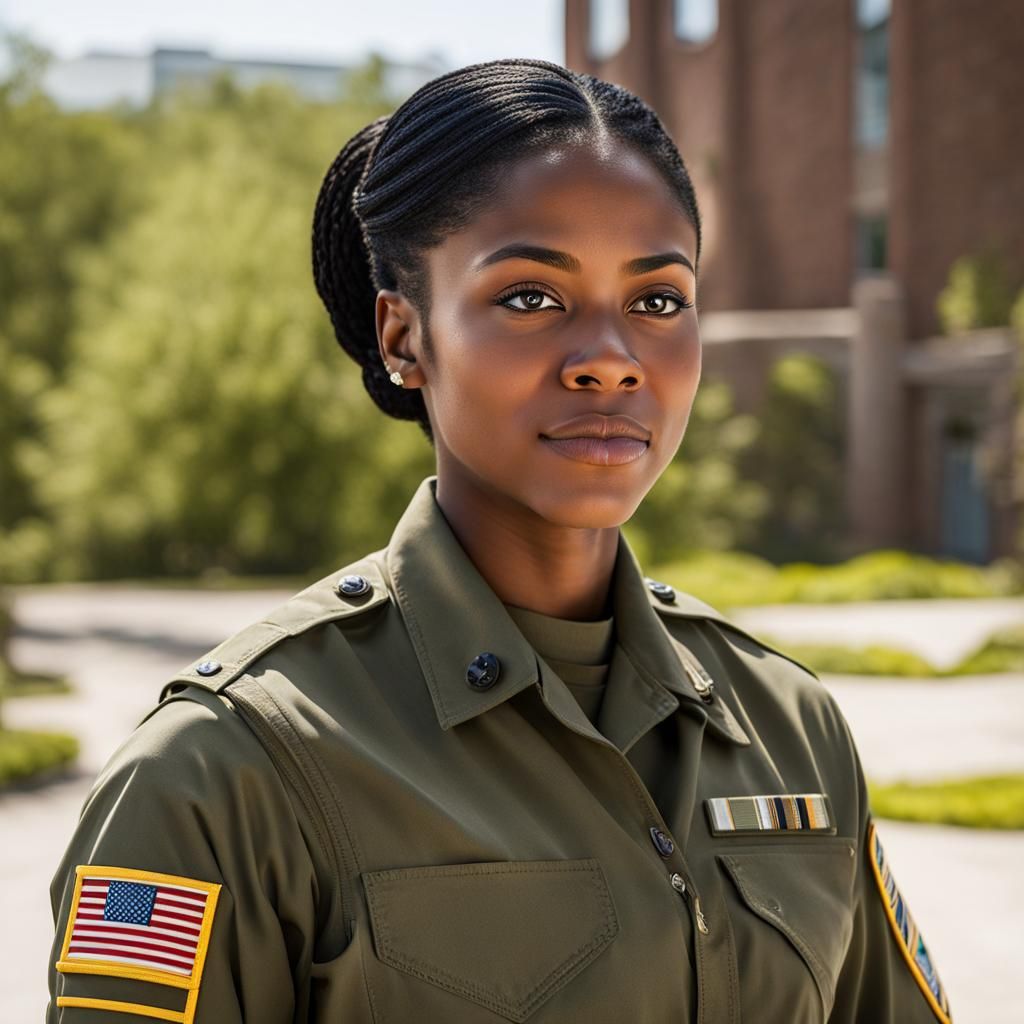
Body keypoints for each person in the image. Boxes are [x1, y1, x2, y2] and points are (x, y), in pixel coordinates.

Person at [47, 57, 953, 1023]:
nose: (610, 359)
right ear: (404, 339)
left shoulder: (788, 730)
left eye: (656, 300)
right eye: (531, 297)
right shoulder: (228, 769)